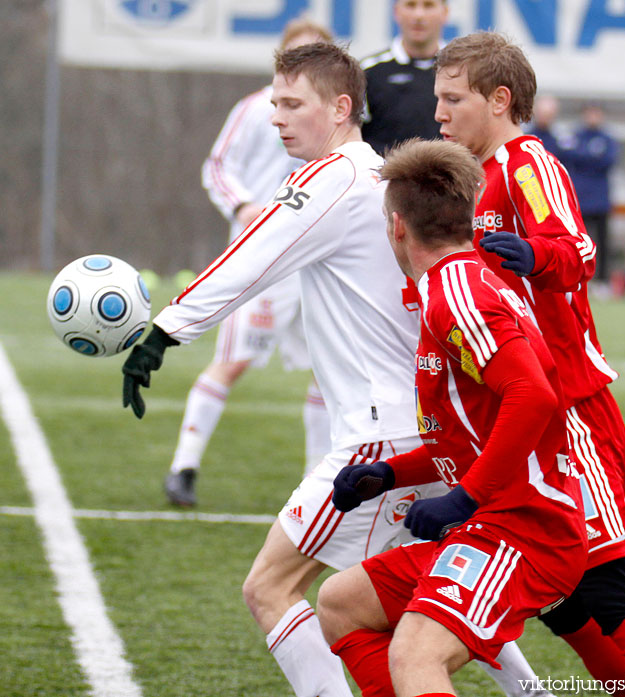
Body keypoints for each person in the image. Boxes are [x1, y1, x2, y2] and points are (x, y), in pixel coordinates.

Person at [123, 41, 559, 697]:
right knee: (418, 593)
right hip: (418, 432)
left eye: (293, 103)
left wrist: (166, 328)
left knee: (269, 587)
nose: (277, 117)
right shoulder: (378, 178)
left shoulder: (334, 177)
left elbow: (253, 253)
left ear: (341, 107)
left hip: (379, 432)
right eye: (274, 103)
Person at [433, 31, 625, 692]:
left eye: (452, 99)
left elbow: (575, 250)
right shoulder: (477, 176)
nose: (440, 113)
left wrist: (534, 256)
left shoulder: (526, 162)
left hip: (571, 411)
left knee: (607, 590)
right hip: (523, 414)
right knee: (561, 600)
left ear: (499, 99)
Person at [316, 137, 588, 697]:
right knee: (341, 602)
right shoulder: (452, 285)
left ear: (396, 227)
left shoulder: (457, 293)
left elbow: (532, 398)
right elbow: (474, 432)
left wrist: (463, 498)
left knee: (415, 655)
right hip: (497, 520)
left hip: (524, 528)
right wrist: (391, 475)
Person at [164, 19, 333, 506]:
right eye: (297, 56)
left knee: (327, 370)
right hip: (261, 262)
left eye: (317, 56)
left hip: (318, 261)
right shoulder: (255, 109)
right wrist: (242, 206)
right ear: (280, 62)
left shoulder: (340, 118)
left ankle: (314, 483)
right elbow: (217, 165)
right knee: (232, 361)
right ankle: (184, 466)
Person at [360, 0, 448, 154]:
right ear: (396, 12)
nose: (418, 15)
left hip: (450, 176)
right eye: (410, 5)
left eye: (428, 5)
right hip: (385, 176)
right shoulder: (368, 71)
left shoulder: (461, 71)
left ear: (445, 13)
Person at [564, 103, 620, 283]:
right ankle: (577, 279)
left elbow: (607, 161)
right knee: (576, 242)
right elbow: (567, 157)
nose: (593, 117)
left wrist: (583, 159)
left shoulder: (607, 139)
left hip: (600, 201)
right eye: (589, 113)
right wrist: (590, 158)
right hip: (578, 200)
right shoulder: (573, 136)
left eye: (596, 113)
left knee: (602, 243)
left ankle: (602, 281)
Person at [527, 94, 568, 161]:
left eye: (548, 114)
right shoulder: (525, 137)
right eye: (542, 113)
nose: (544, 118)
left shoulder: (560, 139)